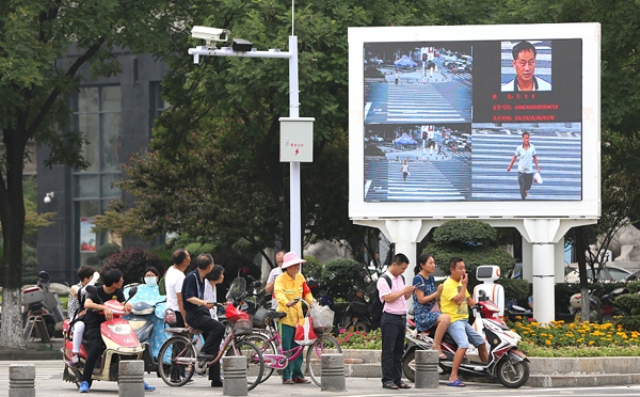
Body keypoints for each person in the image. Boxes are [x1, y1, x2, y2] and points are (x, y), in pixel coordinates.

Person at [78, 269, 155, 393]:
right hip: (94, 324)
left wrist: (127, 305)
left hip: (113, 325)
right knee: (96, 347)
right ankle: (85, 381)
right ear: (114, 283)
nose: (123, 281)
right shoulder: (96, 291)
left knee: (129, 346)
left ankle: (137, 380)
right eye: (121, 280)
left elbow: (122, 302)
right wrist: (104, 307)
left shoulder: (118, 292)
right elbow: (87, 304)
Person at [440, 257, 488, 388]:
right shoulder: (448, 284)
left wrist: (484, 304)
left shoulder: (460, 284)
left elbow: (469, 301)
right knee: (463, 344)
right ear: (452, 269)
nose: (463, 270)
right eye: (460, 268)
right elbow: (459, 300)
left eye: (464, 268)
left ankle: (487, 371)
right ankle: (453, 376)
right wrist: (465, 285)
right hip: (453, 321)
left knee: (481, 343)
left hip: (464, 321)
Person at [182, 254, 226, 388]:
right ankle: (203, 354)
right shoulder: (192, 277)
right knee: (219, 328)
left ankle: (215, 378)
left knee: (214, 343)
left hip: (201, 313)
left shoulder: (201, 278)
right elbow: (189, 297)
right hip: (194, 314)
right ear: (210, 266)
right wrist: (204, 302)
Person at [274, 251, 313, 384]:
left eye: (298, 265)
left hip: (299, 318)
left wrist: (311, 303)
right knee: (287, 348)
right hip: (286, 318)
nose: (297, 267)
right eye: (294, 265)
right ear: (288, 266)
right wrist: (286, 302)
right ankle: (286, 376)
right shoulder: (280, 279)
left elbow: (307, 292)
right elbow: (279, 294)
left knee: (299, 347)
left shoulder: (300, 278)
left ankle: (297, 375)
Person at [377, 253, 415, 390]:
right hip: (390, 318)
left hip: (401, 317)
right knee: (389, 350)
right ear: (394, 264)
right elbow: (387, 298)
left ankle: (397, 379)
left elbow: (401, 298)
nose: (403, 271)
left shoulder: (401, 278)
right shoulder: (384, 279)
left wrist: (408, 293)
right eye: (402, 268)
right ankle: (387, 379)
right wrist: (403, 291)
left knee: (399, 351)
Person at [125, 266, 168, 360]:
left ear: (157, 277)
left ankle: (161, 354)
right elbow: (129, 299)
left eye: (151, 275)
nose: (149, 277)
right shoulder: (138, 289)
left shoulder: (162, 290)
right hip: (136, 316)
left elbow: (164, 301)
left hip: (154, 317)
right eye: (147, 275)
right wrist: (128, 303)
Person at [412, 254, 450, 359]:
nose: (433, 265)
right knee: (445, 319)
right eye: (430, 263)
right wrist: (437, 293)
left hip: (432, 310)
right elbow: (421, 299)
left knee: (449, 317)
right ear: (422, 265)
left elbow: (433, 297)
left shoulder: (431, 277)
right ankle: (436, 347)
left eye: (434, 263)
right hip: (423, 314)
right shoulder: (418, 279)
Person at [67, 266, 99, 367]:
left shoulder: (95, 288)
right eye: (92, 278)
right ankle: (75, 355)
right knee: (80, 326)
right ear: (86, 279)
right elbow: (81, 292)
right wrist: (94, 279)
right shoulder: (74, 287)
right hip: (76, 316)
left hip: (90, 315)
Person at [506, 131, 540, 200]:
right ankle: (523, 200)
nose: (526, 140)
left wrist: (537, 167)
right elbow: (514, 157)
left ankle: (525, 191)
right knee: (522, 186)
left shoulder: (532, 147)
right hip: (521, 171)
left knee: (528, 186)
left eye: (527, 138)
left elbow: (535, 157)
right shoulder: (519, 148)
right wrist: (510, 167)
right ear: (522, 139)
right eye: (525, 138)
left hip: (529, 171)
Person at [165, 249, 190, 328]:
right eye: (188, 256)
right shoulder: (179, 277)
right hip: (177, 312)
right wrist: (185, 319)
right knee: (181, 338)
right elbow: (180, 300)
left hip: (169, 310)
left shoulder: (171, 269)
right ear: (185, 262)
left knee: (176, 338)